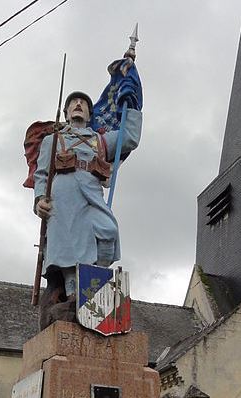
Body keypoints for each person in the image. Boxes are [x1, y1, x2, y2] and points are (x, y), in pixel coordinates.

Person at [33, 90, 142, 328]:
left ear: (90, 113)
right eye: (73, 103)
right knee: (70, 252)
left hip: (91, 190)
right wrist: (40, 198)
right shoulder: (53, 140)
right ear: (67, 113)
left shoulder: (100, 140)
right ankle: (75, 294)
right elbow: (41, 173)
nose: (78, 104)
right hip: (63, 195)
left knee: (108, 231)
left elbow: (130, 136)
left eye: (83, 103)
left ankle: (92, 280)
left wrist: (131, 106)